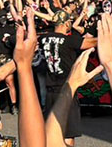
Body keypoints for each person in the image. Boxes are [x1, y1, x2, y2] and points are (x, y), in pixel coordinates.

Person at [38, 13, 95, 147]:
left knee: (52, 130)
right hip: (67, 90)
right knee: (68, 133)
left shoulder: (44, 38)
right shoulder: (70, 40)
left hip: (50, 90)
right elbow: (91, 42)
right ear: (65, 24)